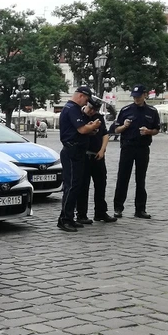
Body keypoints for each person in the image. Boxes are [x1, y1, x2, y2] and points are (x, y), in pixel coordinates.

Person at [57, 86, 103, 232]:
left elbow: (81, 130)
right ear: (82, 96)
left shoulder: (73, 108)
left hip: (77, 149)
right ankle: (64, 219)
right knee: (71, 185)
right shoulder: (72, 108)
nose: (86, 104)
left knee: (76, 185)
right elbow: (81, 129)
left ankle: (69, 217)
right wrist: (93, 125)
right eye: (87, 100)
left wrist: (90, 129)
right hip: (72, 150)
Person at [112, 85, 160, 219]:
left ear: (145, 95)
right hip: (127, 147)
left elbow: (156, 129)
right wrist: (124, 126)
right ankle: (118, 208)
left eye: (138, 96)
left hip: (143, 148)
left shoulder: (152, 111)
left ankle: (140, 209)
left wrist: (149, 132)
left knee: (141, 179)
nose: (136, 99)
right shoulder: (126, 110)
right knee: (123, 178)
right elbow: (116, 130)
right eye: (134, 97)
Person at [75, 100, 116, 224]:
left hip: (97, 155)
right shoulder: (78, 116)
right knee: (83, 186)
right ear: (86, 105)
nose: (92, 111)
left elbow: (105, 134)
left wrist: (103, 150)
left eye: (95, 109)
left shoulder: (99, 117)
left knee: (101, 184)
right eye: (91, 108)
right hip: (84, 155)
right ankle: (81, 214)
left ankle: (100, 212)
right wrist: (90, 129)